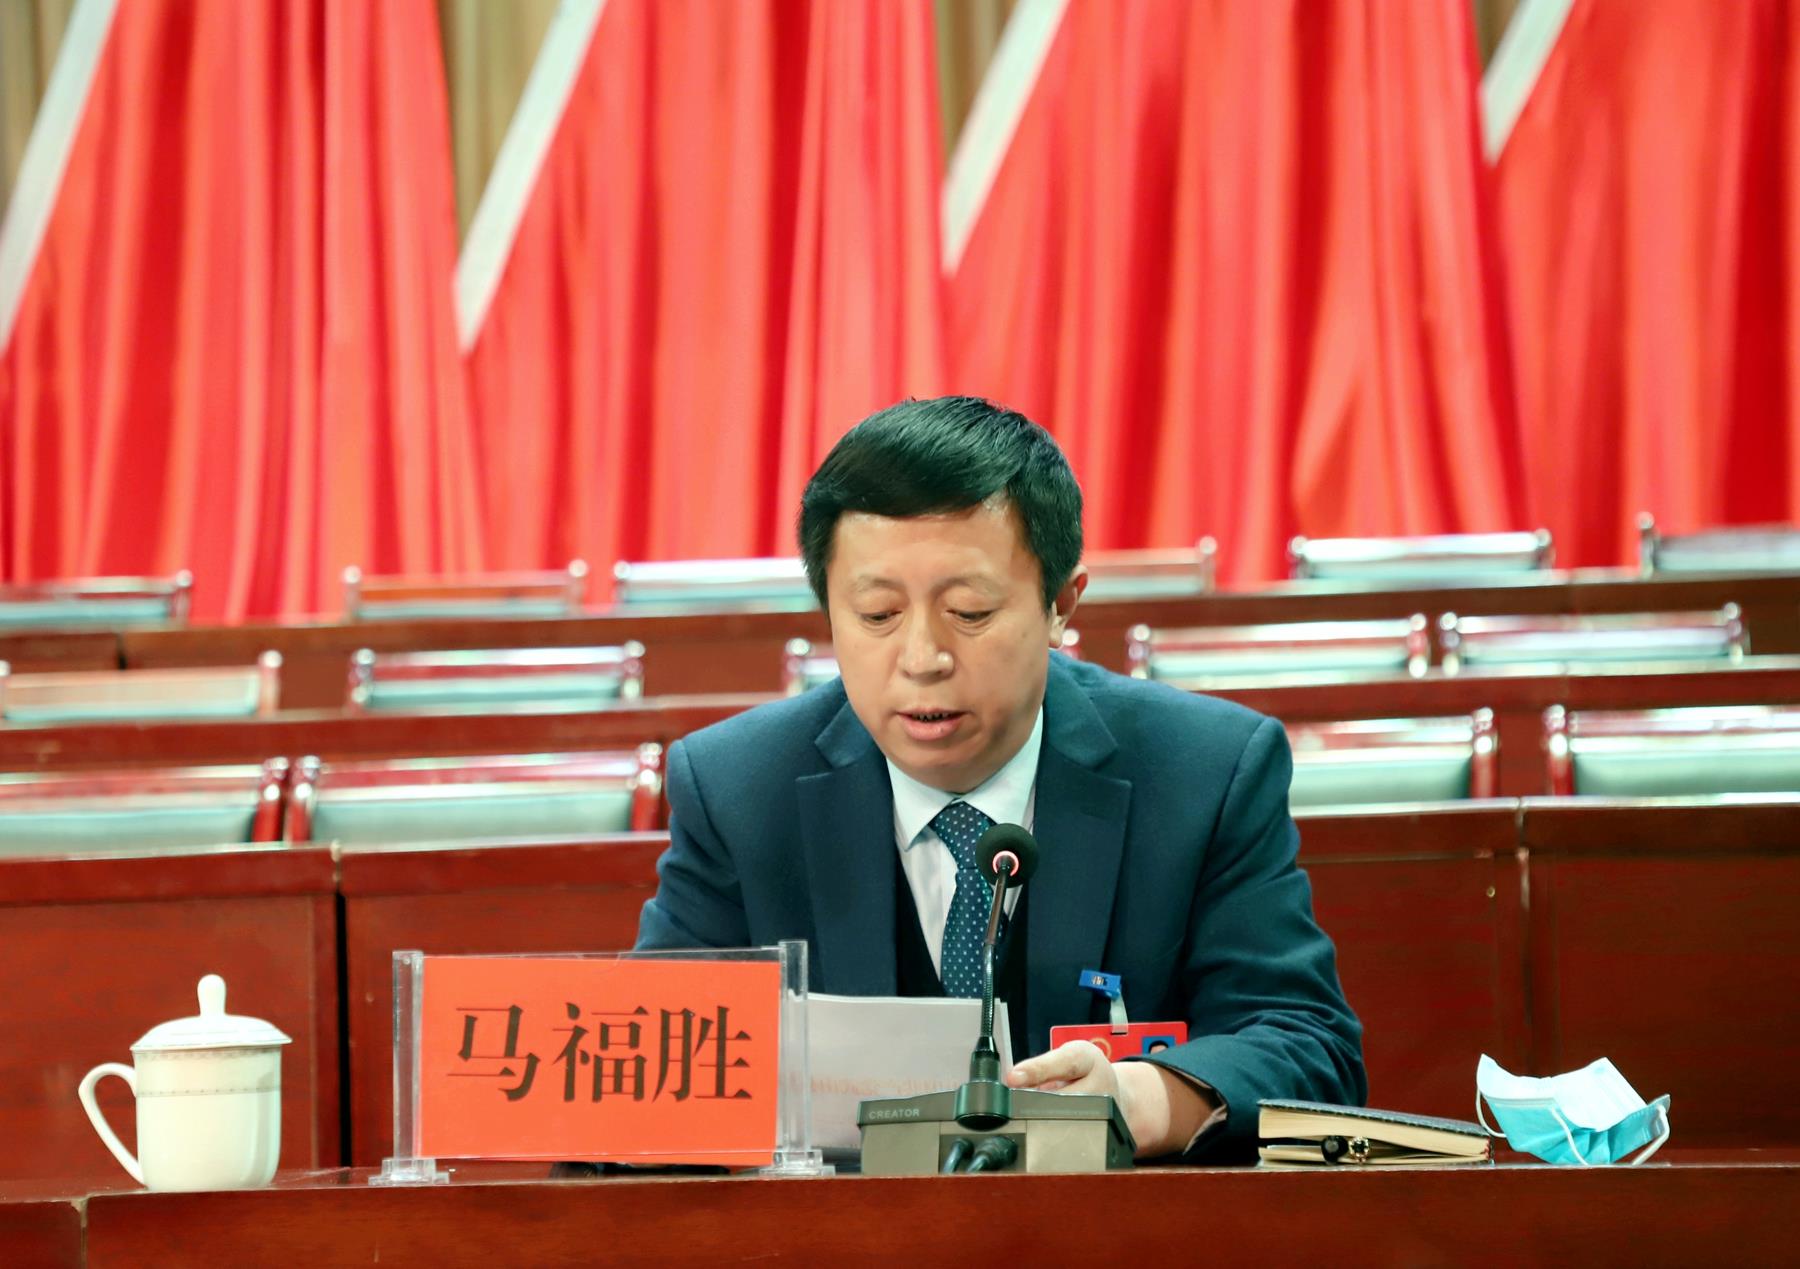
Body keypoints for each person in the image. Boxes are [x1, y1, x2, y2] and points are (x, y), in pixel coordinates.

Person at [636, 395, 1364, 1160]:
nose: (922, 658)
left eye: (971, 611)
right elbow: (650, 1072)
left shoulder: (1203, 773)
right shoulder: (738, 789)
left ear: (1060, 605)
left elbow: (1307, 1044)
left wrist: (1137, 1098)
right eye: (878, 615)